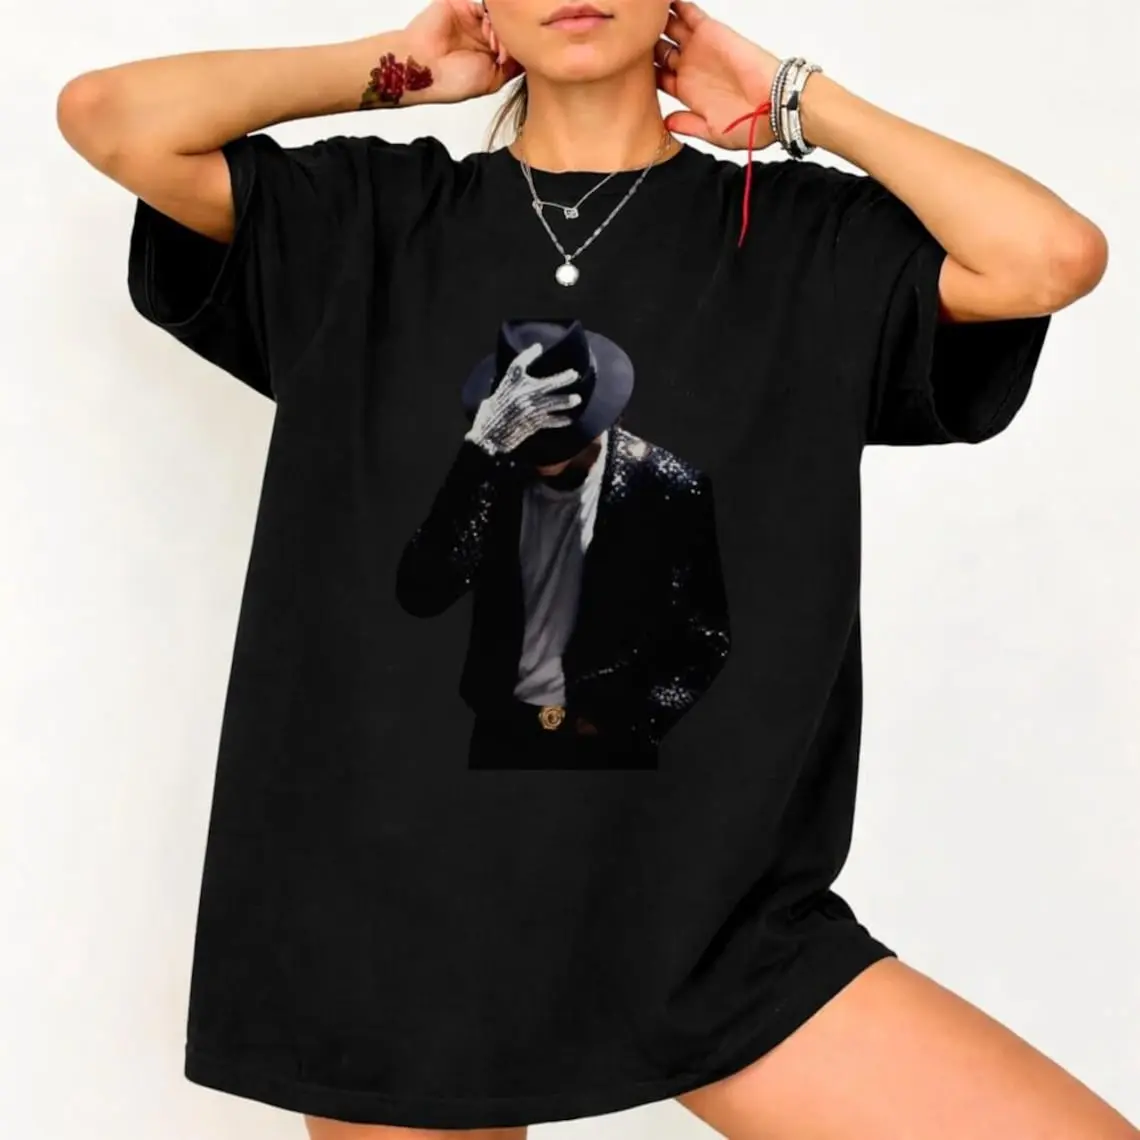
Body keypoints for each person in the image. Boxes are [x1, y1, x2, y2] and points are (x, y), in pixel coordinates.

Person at [56, 1, 1132, 1139]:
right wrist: (396, 67)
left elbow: (1048, 257)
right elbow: (110, 117)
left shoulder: (799, 239)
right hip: (400, 913)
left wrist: (797, 101)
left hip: (706, 924)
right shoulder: (370, 217)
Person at [394, 317, 732, 769]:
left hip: (611, 745)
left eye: (551, 435)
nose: (536, 451)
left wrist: (632, 719)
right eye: (523, 430)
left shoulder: (666, 486)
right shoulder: (495, 479)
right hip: (502, 736)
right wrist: (477, 452)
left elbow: (705, 635)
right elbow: (421, 593)